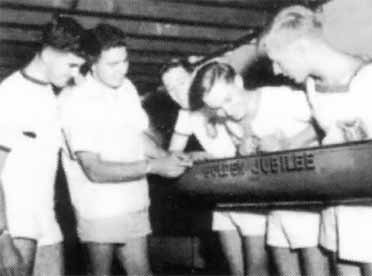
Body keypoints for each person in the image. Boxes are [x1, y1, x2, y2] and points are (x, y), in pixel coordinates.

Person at [258, 5, 372, 276]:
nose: (276, 71)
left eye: (278, 60)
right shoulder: (313, 88)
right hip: (341, 208)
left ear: (300, 49)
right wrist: (289, 144)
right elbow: (325, 125)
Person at [59, 24, 191, 276]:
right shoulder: (76, 101)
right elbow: (94, 170)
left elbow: (138, 136)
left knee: (141, 272)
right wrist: (154, 167)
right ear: (92, 63)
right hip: (99, 208)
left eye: (125, 60)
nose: (122, 69)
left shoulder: (126, 87)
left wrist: (168, 157)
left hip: (133, 201)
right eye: (112, 64)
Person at [189, 61, 330, 276]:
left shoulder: (279, 98)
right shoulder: (231, 121)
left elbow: (325, 120)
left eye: (228, 99)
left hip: (307, 201)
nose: (226, 111)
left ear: (238, 81)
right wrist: (243, 153)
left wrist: (288, 144)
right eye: (216, 108)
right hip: (275, 204)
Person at [163, 61, 270, 276]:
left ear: (195, 77)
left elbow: (246, 143)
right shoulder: (186, 114)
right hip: (221, 192)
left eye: (181, 82)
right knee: (235, 269)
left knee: (256, 268)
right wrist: (193, 156)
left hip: (248, 187)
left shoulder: (220, 101)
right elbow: (173, 155)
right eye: (170, 88)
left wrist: (210, 157)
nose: (177, 92)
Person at [0, 16, 86, 276]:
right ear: (49, 53)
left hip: (46, 220)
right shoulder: (9, 95)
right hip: (14, 223)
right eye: (71, 65)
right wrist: (2, 238)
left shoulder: (50, 94)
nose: (74, 74)